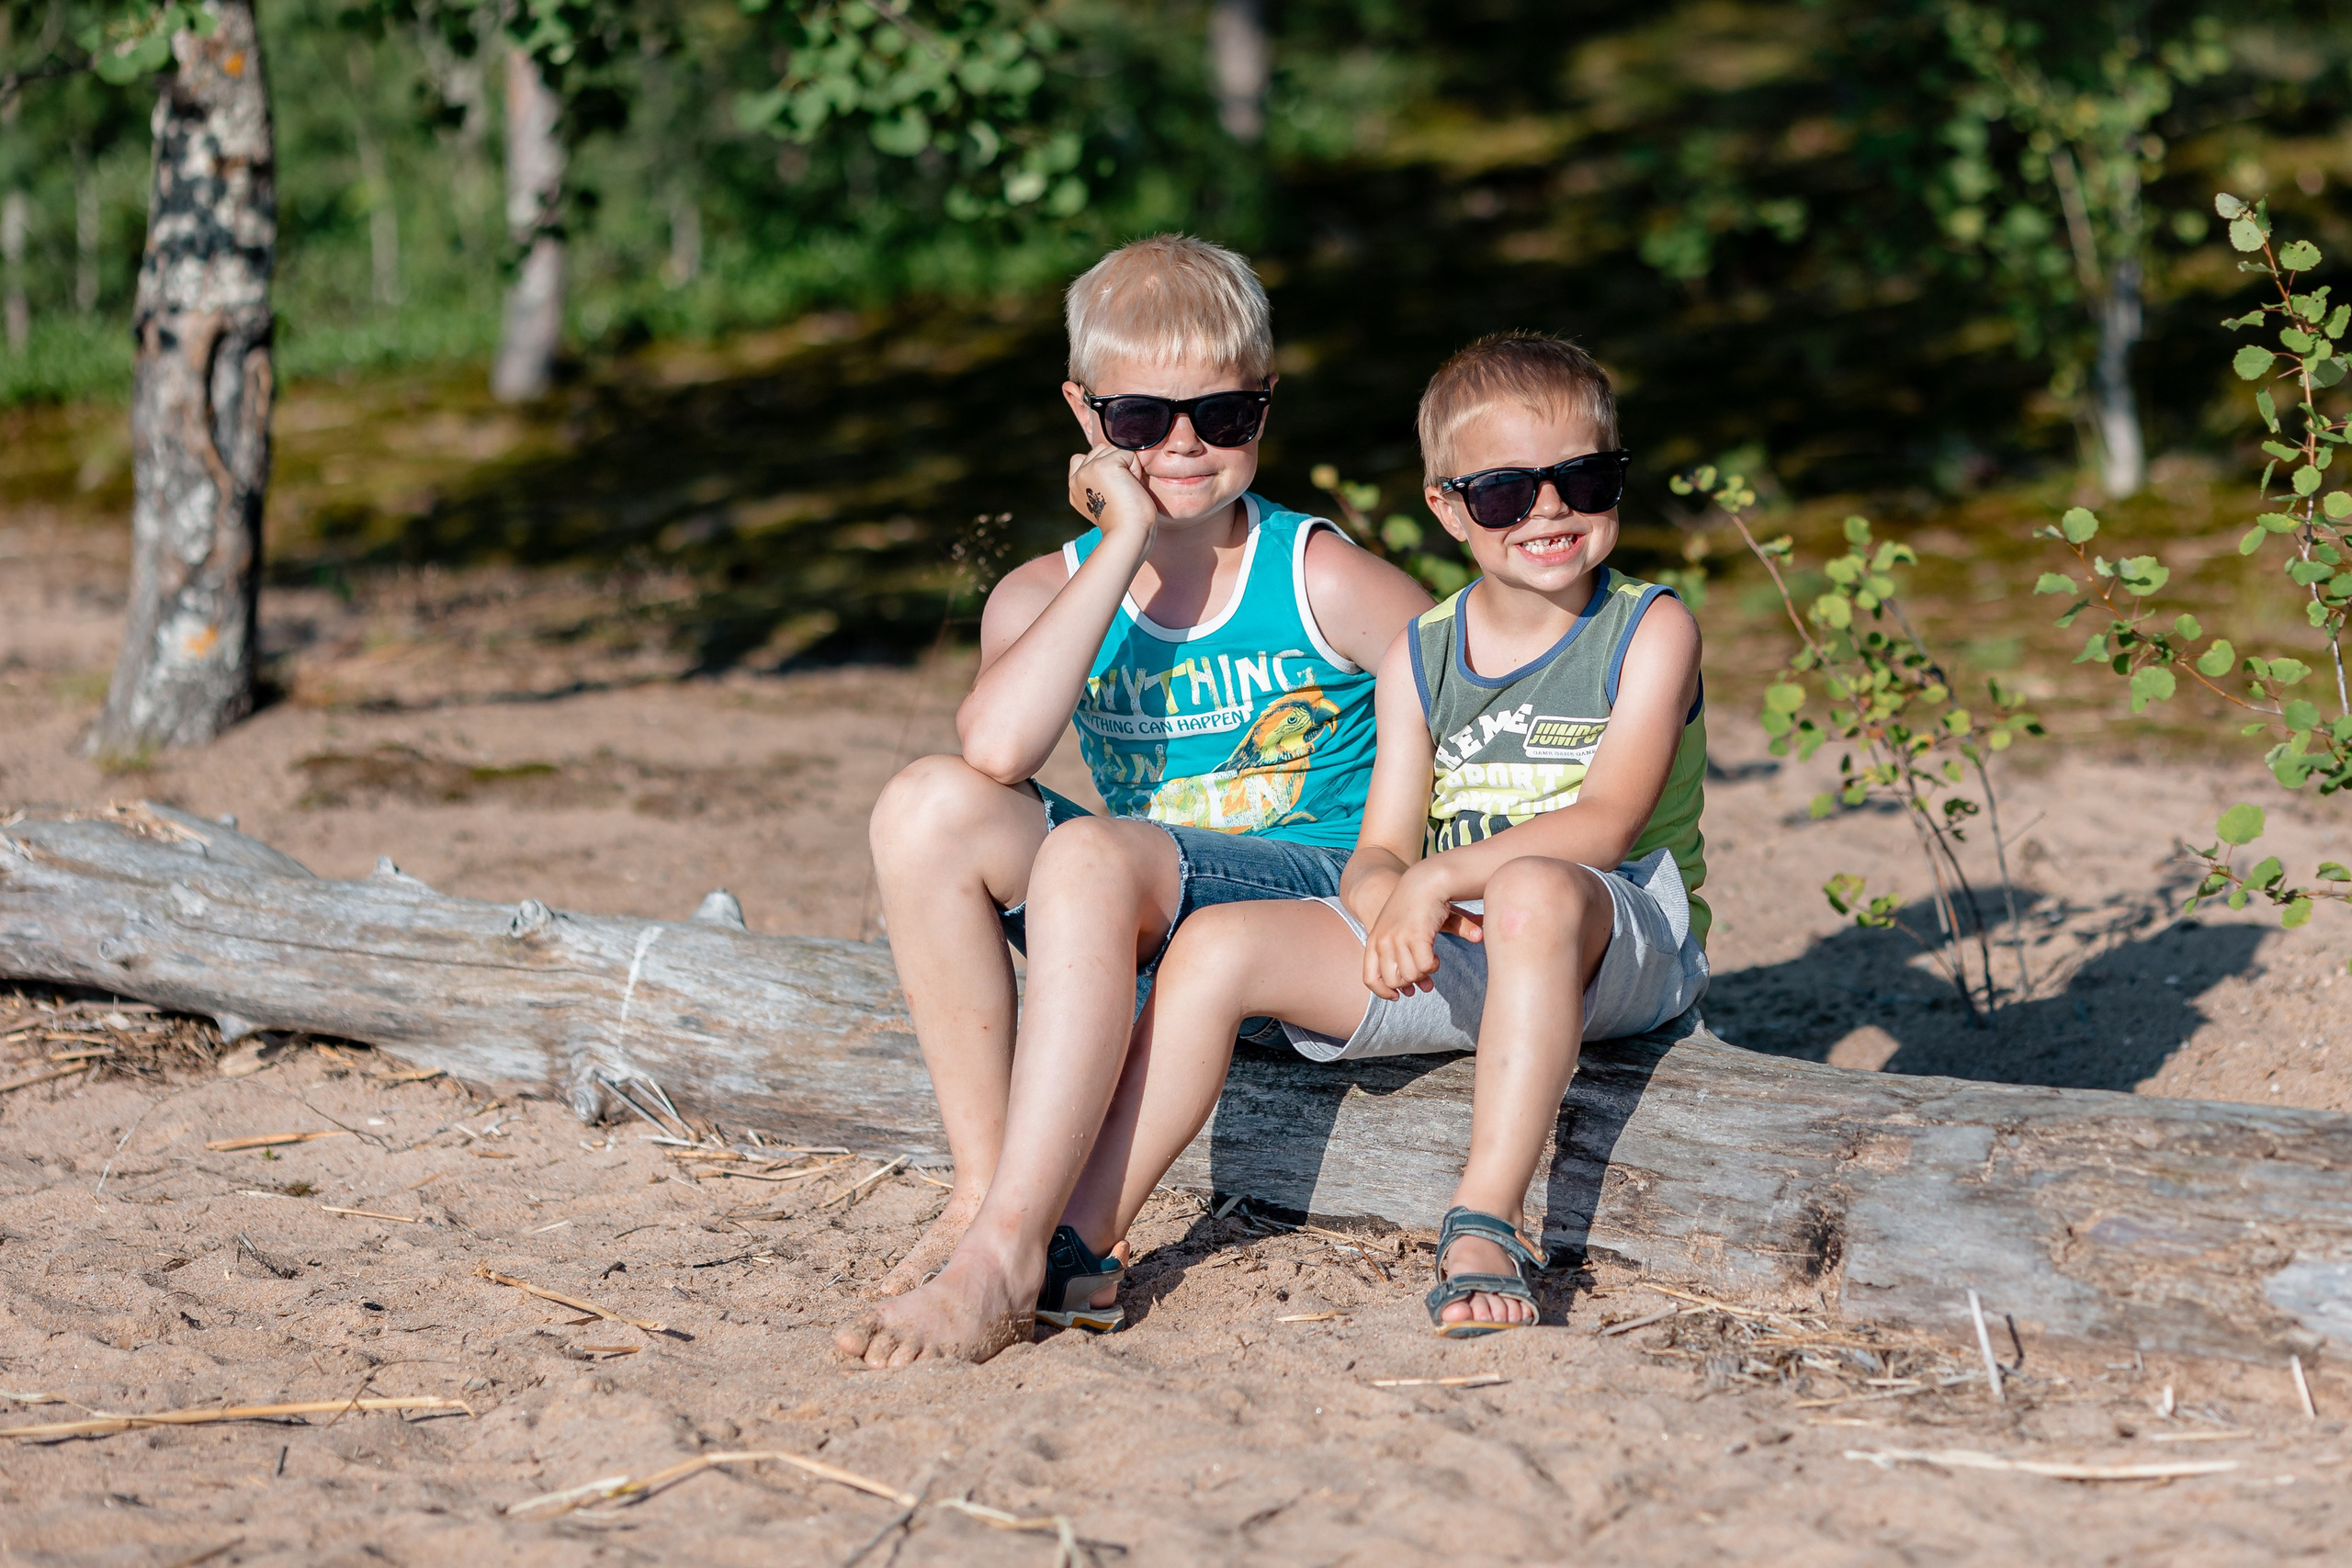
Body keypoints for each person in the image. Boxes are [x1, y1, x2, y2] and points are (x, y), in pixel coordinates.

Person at [839, 234, 1431, 1366]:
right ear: (1083, 413)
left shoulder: (1320, 576)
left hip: (1310, 901)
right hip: (1134, 897)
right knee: (925, 803)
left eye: (1223, 414)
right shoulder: (1044, 592)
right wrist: (1120, 544)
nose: (1183, 445)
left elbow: (1473, 716)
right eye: (1141, 420)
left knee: (1098, 852)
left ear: (1265, 404)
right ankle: (985, 1196)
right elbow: (997, 748)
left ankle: (1010, 1258)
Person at [1055, 330, 1711, 1337]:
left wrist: (1434, 880)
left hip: (1621, 935)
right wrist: (1388, 906)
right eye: (1504, 492)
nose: (1548, 511)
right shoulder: (1421, 653)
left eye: (1584, 479)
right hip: (1476, 933)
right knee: (1216, 945)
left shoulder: (1647, 627)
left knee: (1534, 885)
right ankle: (1081, 1239)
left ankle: (1486, 1219)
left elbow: (1606, 822)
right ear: (1447, 507)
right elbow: (1380, 850)